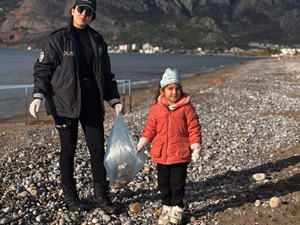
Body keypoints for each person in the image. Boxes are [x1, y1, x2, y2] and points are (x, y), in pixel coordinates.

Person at [29, 0, 122, 213]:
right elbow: (43, 68)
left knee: (98, 150)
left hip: (91, 102)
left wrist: (113, 98)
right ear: (72, 11)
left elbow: (106, 74)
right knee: (68, 150)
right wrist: (38, 95)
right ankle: (71, 198)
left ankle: (102, 198)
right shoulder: (58, 38)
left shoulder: (98, 41)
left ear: (92, 16)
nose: (84, 14)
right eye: (80, 10)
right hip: (64, 103)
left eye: (89, 12)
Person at [136, 68, 202, 225]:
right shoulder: (156, 109)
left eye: (177, 88)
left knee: (177, 184)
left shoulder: (187, 108)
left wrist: (195, 146)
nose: (174, 92)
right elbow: (150, 128)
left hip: (180, 154)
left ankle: (177, 209)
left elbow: (194, 128)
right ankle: (166, 207)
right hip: (161, 155)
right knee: (163, 184)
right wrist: (144, 141)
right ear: (162, 90)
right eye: (170, 89)